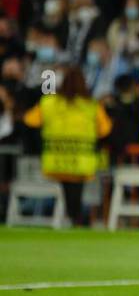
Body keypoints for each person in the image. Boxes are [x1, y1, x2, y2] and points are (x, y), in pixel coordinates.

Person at [22, 66, 111, 226]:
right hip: (81, 163)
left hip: (55, 162)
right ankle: (75, 220)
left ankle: (68, 218)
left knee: (65, 193)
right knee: (75, 194)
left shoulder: (48, 103)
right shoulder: (91, 106)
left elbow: (29, 121)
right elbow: (105, 130)